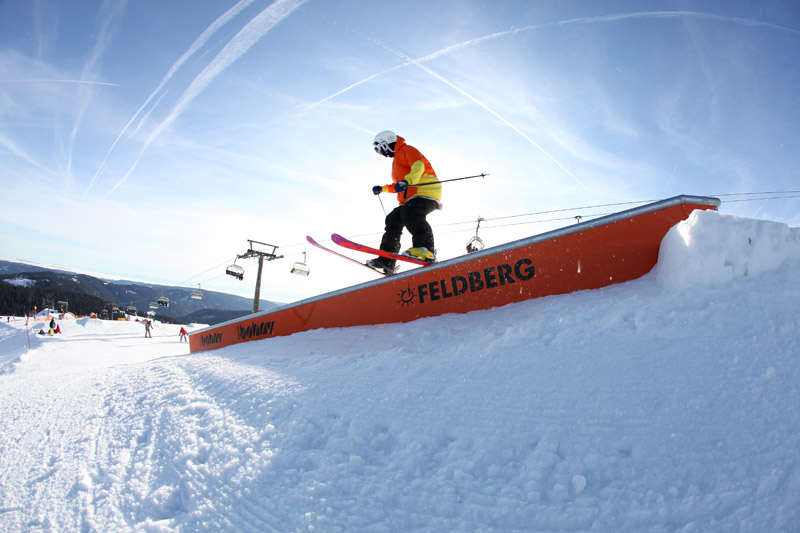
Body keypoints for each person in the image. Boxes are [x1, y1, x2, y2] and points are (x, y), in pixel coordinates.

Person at [368, 130, 442, 274]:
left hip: (426, 192)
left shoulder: (407, 150)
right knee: (393, 219)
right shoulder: (396, 161)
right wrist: (382, 189)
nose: (381, 154)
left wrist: (408, 181)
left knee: (410, 212)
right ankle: (387, 260)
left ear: (386, 143)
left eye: (380, 149)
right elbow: (398, 185)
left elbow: (418, 166)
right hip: (410, 199)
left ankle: (426, 249)